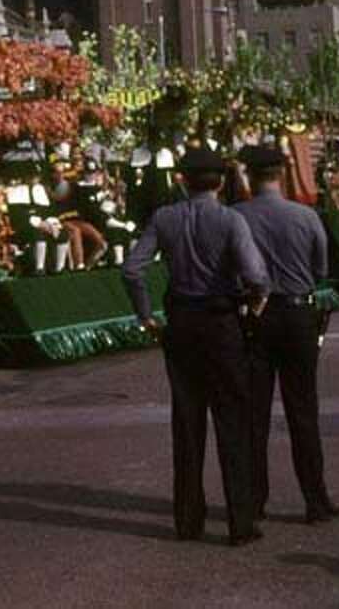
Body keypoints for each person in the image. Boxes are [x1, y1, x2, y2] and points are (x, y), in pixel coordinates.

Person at [122, 147, 270, 547]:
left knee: (186, 422)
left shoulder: (164, 218)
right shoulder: (230, 220)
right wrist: (255, 304)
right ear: (220, 182)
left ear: (181, 181)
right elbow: (256, 275)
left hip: (181, 323)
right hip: (222, 323)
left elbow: (133, 268)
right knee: (233, 421)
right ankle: (240, 521)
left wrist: (146, 316)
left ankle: (188, 520)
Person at [233, 145, 339, 524]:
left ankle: (254, 500)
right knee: (303, 411)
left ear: (248, 174)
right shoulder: (306, 215)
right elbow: (321, 269)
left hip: (255, 315)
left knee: (253, 415)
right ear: (281, 174)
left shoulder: (237, 217)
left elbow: (231, 270)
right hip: (298, 315)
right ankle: (315, 500)